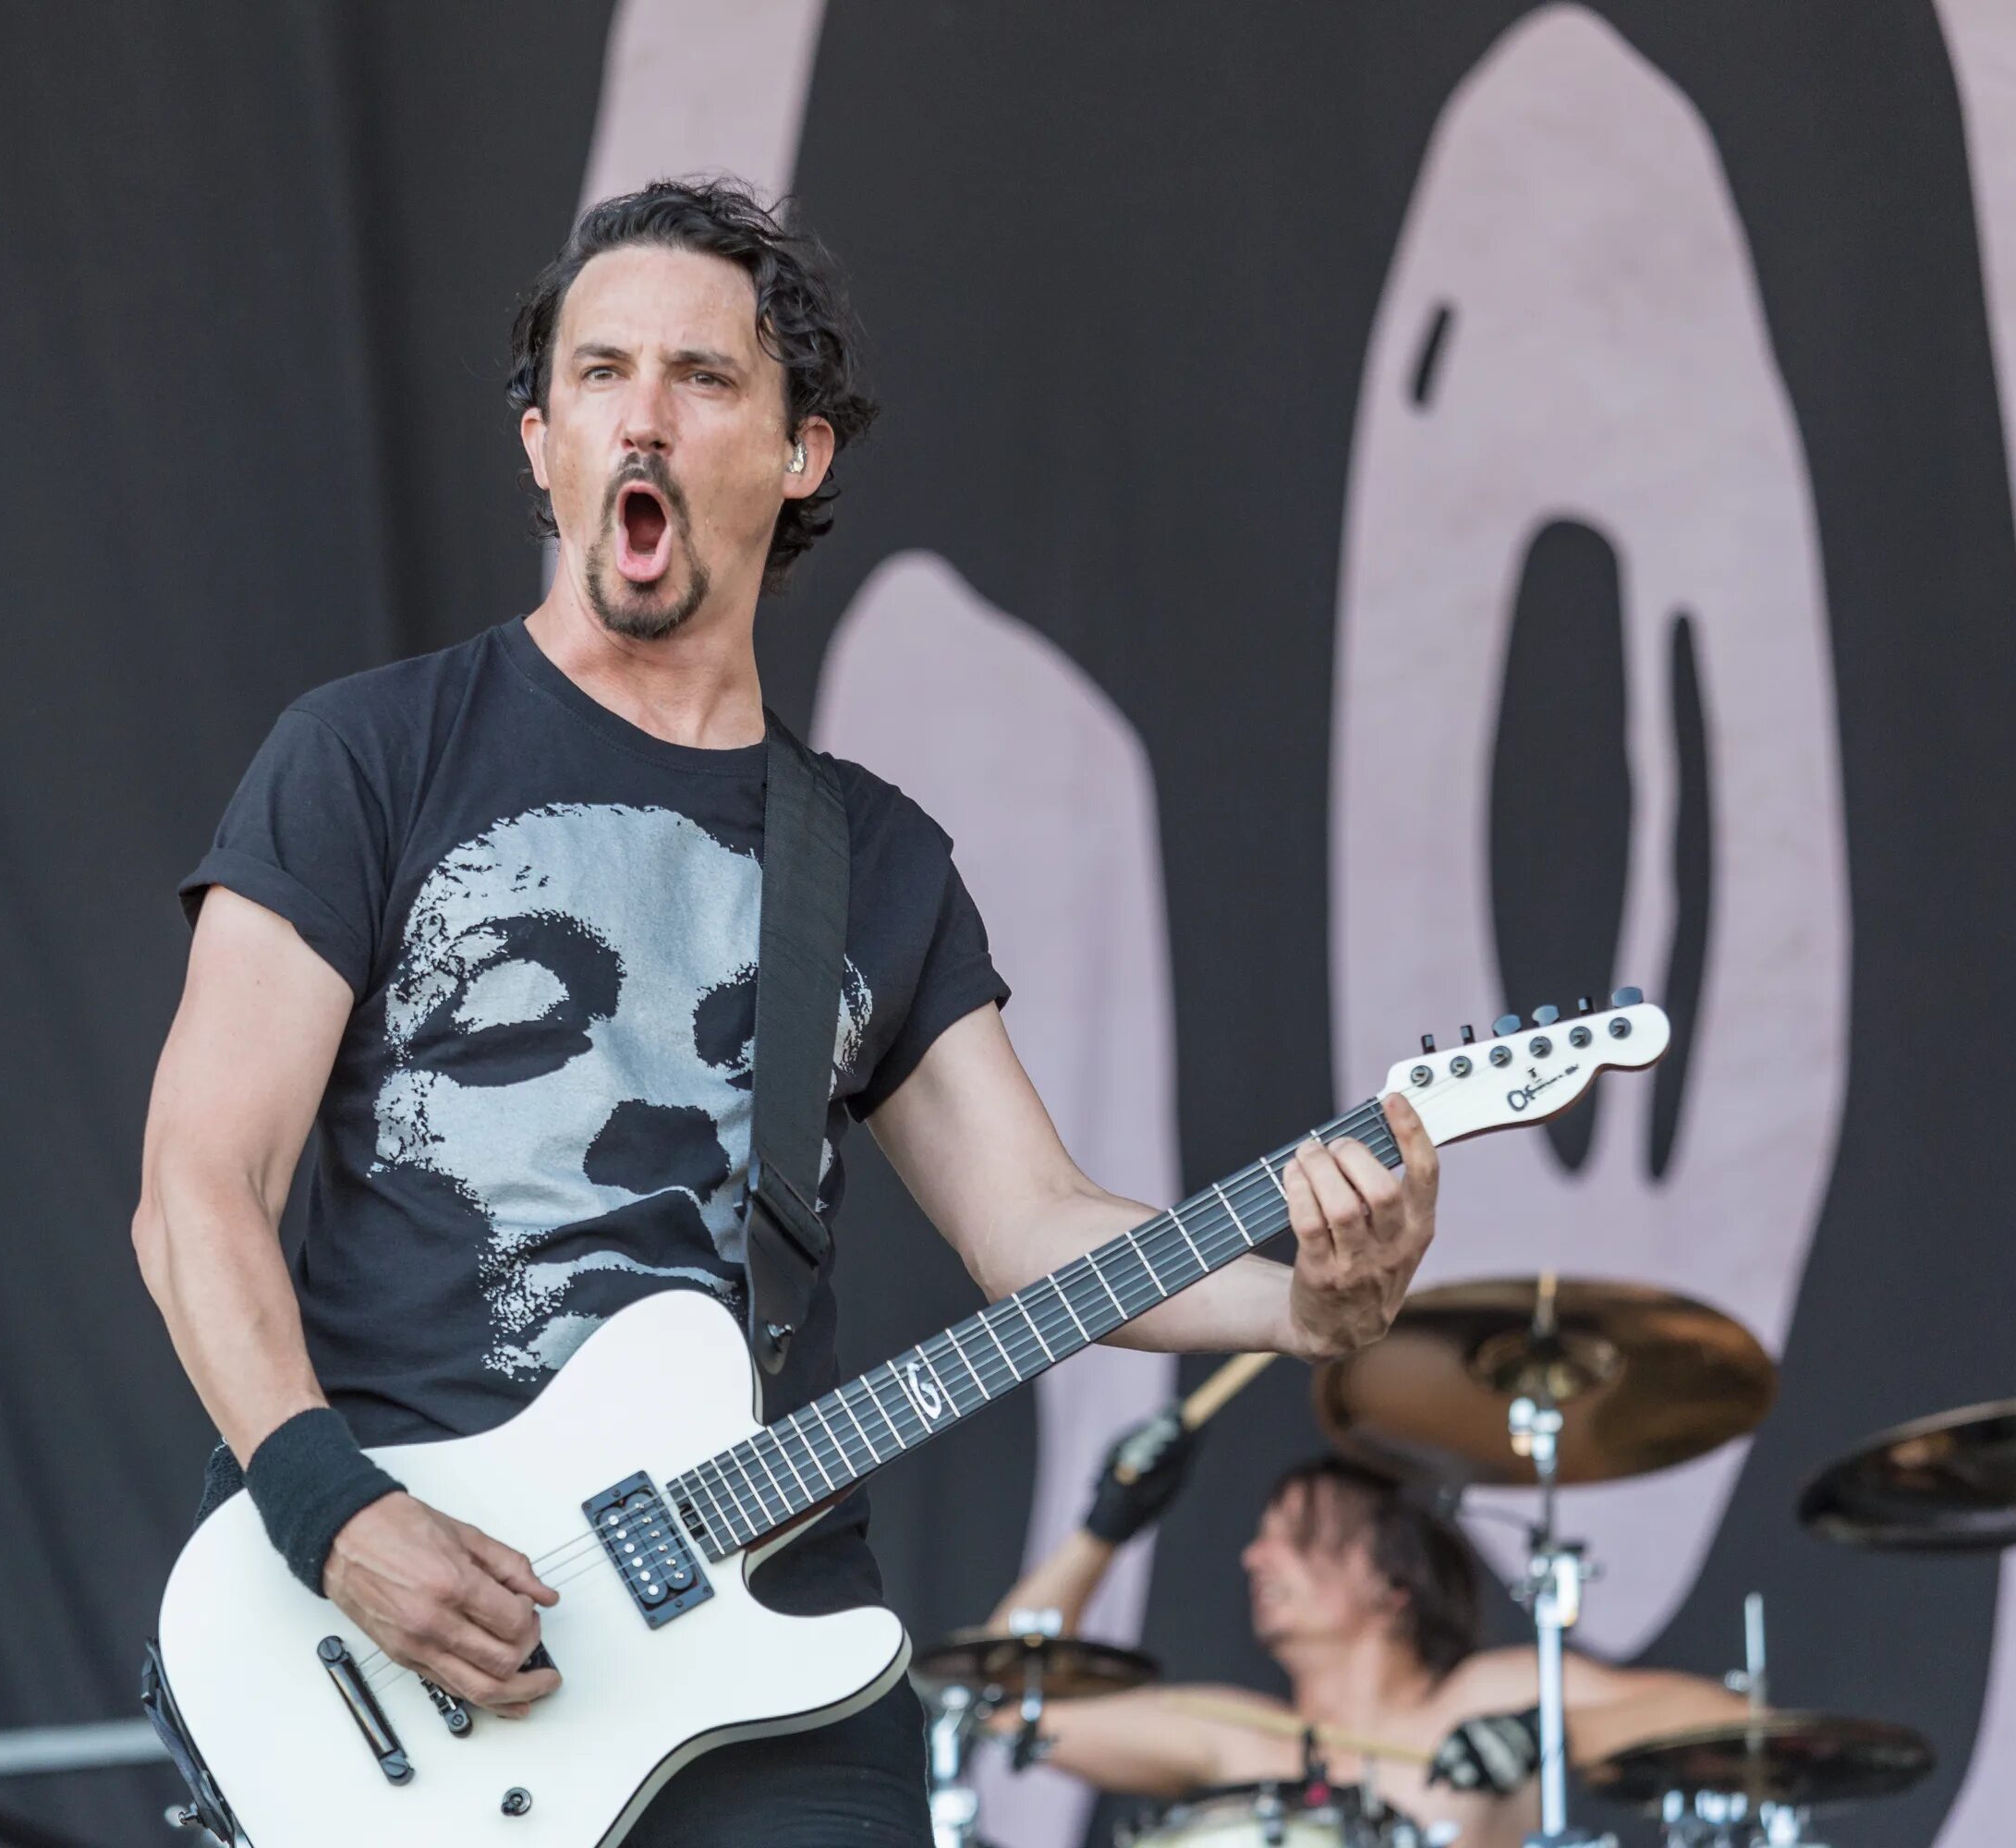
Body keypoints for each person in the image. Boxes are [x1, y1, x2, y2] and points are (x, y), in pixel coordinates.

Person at [129, 177, 1443, 1843]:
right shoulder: (367, 756)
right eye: (600, 375)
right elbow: (201, 1187)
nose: (644, 419)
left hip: (766, 1638)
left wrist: (1302, 1312)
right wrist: (331, 1512)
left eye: (703, 377)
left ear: (799, 452)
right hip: (412, 1603)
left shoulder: (871, 860)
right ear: (543, 444)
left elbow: (1033, 1227)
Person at [987, 1420, 1744, 1848]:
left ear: (1393, 1580)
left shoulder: (1490, 1696)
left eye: (1297, 1536)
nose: (1255, 1558)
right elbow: (1001, 1696)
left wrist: (1548, 1729)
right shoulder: (1243, 1739)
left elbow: (1734, 1723)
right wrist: (1104, 1529)